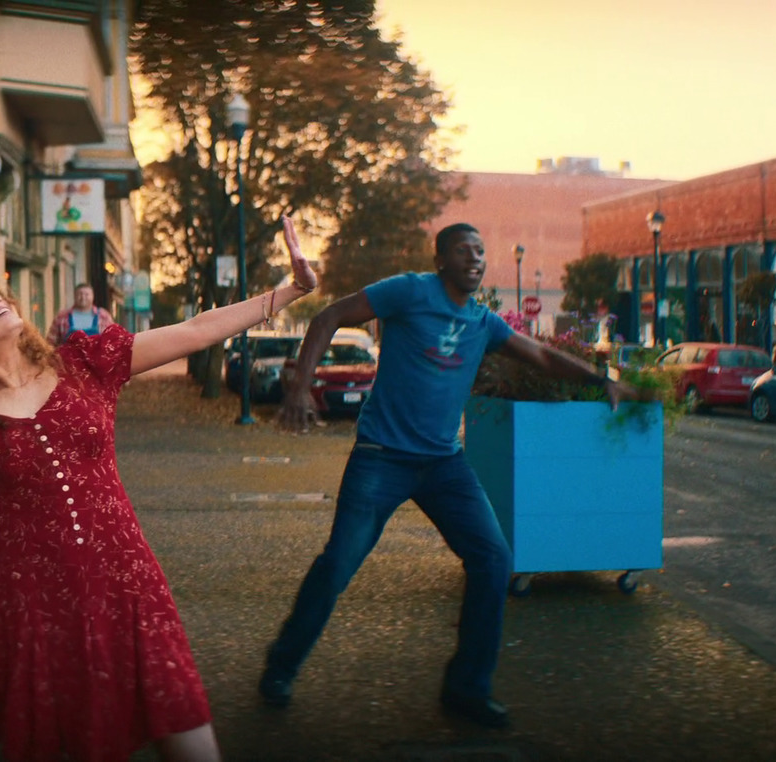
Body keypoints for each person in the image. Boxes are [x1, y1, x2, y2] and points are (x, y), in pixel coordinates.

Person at [0, 217, 316, 762]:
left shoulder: (87, 363)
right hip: (30, 601)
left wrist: (287, 292)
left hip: (128, 584)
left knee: (189, 735)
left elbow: (196, 331)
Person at [258, 223, 644, 730]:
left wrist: (601, 379)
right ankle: (281, 668)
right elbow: (330, 315)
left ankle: (467, 688)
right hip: (382, 456)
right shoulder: (408, 291)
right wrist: (298, 388)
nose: (475, 258)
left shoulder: (483, 322)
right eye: (463, 251)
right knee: (339, 564)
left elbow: (542, 355)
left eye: (481, 251)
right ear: (441, 260)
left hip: (444, 463)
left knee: (493, 558)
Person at [47, 282, 115, 345]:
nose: (83, 297)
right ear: (74, 296)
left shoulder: (104, 316)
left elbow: (113, 340)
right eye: (79, 294)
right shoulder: (62, 316)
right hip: (67, 358)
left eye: (86, 294)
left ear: (93, 296)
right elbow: (50, 342)